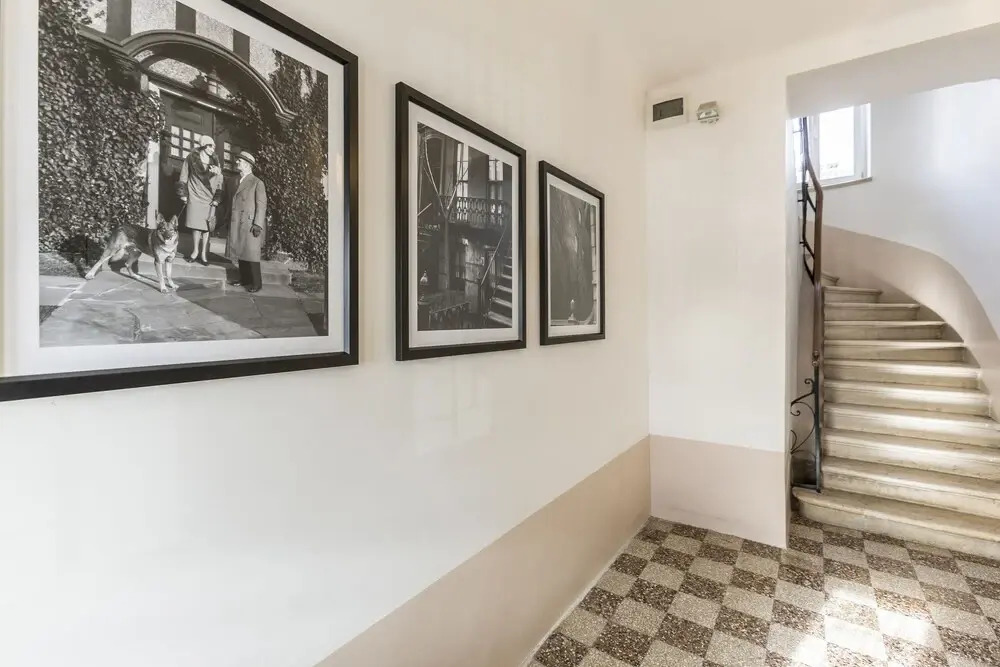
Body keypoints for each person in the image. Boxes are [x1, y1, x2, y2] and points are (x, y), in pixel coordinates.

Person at [176, 136, 223, 266]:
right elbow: (184, 176)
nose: (213, 149)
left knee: (207, 226)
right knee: (196, 225)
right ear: (203, 146)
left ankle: (203, 253)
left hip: (209, 197)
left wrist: (217, 198)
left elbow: (220, 182)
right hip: (194, 195)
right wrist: (183, 194)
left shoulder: (215, 161)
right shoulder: (191, 158)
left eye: (214, 147)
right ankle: (195, 251)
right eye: (210, 146)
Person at [226, 151, 267, 293]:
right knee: (241, 251)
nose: (237, 162)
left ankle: (257, 283)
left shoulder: (257, 182)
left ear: (248, 165)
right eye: (238, 160)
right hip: (238, 220)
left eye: (240, 161)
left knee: (251, 253)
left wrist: (258, 224)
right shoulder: (237, 180)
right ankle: (244, 279)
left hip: (250, 223)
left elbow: (261, 205)